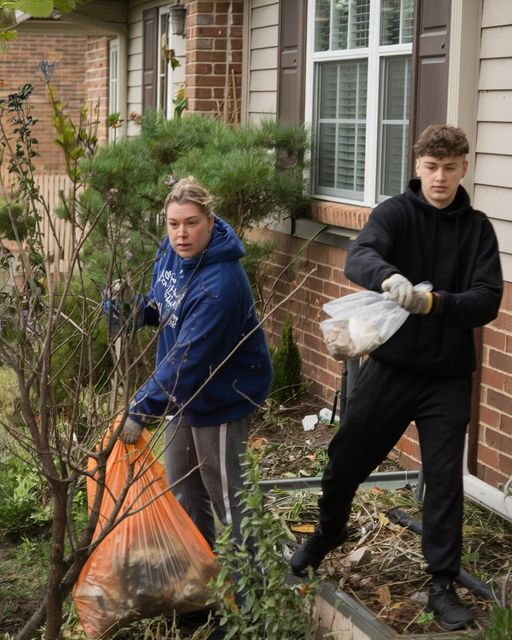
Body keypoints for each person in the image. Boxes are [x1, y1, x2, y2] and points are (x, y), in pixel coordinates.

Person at [290, 125, 503, 631]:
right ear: (418, 166)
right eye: (432, 167)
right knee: (345, 460)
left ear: (464, 168)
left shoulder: (477, 230)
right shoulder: (394, 215)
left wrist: (434, 302)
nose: (440, 178)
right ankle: (329, 531)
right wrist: (387, 277)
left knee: (445, 481)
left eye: (450, 167)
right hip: (389, 370)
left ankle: (442, 584)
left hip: (447, 378)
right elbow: (360, 255)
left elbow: (487, 300)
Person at [108, 176, 273, 553]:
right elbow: (164, 306)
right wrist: (132, 309)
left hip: (221, 396)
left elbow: (188, 358)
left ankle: (256, 593)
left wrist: (141, 408)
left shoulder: (219, 284)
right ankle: (201, 583)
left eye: (192, 223)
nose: (181, 234)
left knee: (229, 497)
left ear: (211, 222)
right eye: (174, 224)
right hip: (183, 393)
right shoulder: (171, 251)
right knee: (183, 487)